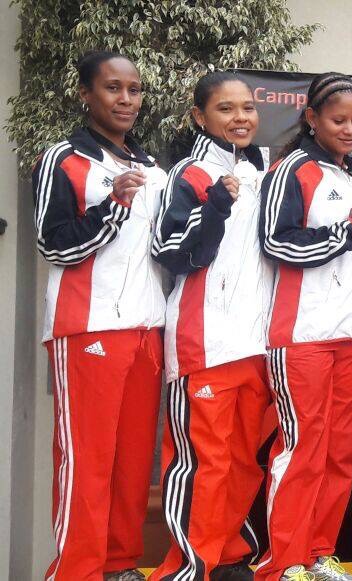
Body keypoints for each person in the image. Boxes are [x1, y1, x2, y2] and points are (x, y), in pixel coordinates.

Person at [32, 50, 166, 581]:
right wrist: (113, 206)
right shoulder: (63, 158)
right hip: (87, 327)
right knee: (86, 459)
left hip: (146, 329)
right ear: (85, 93)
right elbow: (53, 244)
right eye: (113, 88)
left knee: (132, 463)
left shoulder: (152, 167)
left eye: (134, 89)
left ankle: (119, 564)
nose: (126, 99)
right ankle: (76, 571)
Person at [150, 71, 272, 581]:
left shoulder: (266, 171)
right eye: (226, 108)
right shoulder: (190, 173)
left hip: (258, 343)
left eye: (247, 107)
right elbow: (169, 251)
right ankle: (189, 565)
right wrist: (215, 206)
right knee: (204, 461)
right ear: (199, 117)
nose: (240, 117)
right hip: (205, 341)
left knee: (243, 461)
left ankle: (227, 556)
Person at [256, 73, 352, 581]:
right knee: (302, 449)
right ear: (311, 118)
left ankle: (320, 553)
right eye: (338, 120)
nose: (349, 129)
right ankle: (284, 563)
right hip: (302, 334)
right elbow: (276, 243)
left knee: (340, 454)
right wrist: (347, 230)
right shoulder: (292, 171)